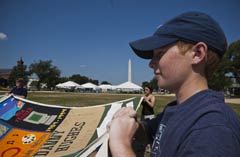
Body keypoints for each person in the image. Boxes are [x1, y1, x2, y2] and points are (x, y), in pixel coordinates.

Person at [108, 11, 240, 157]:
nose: (151, 64)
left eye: (159, 54)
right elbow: (150, 132)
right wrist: (128, 125)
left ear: (197, 54)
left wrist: (121, 145)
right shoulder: (178, 108)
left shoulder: (212, 129)